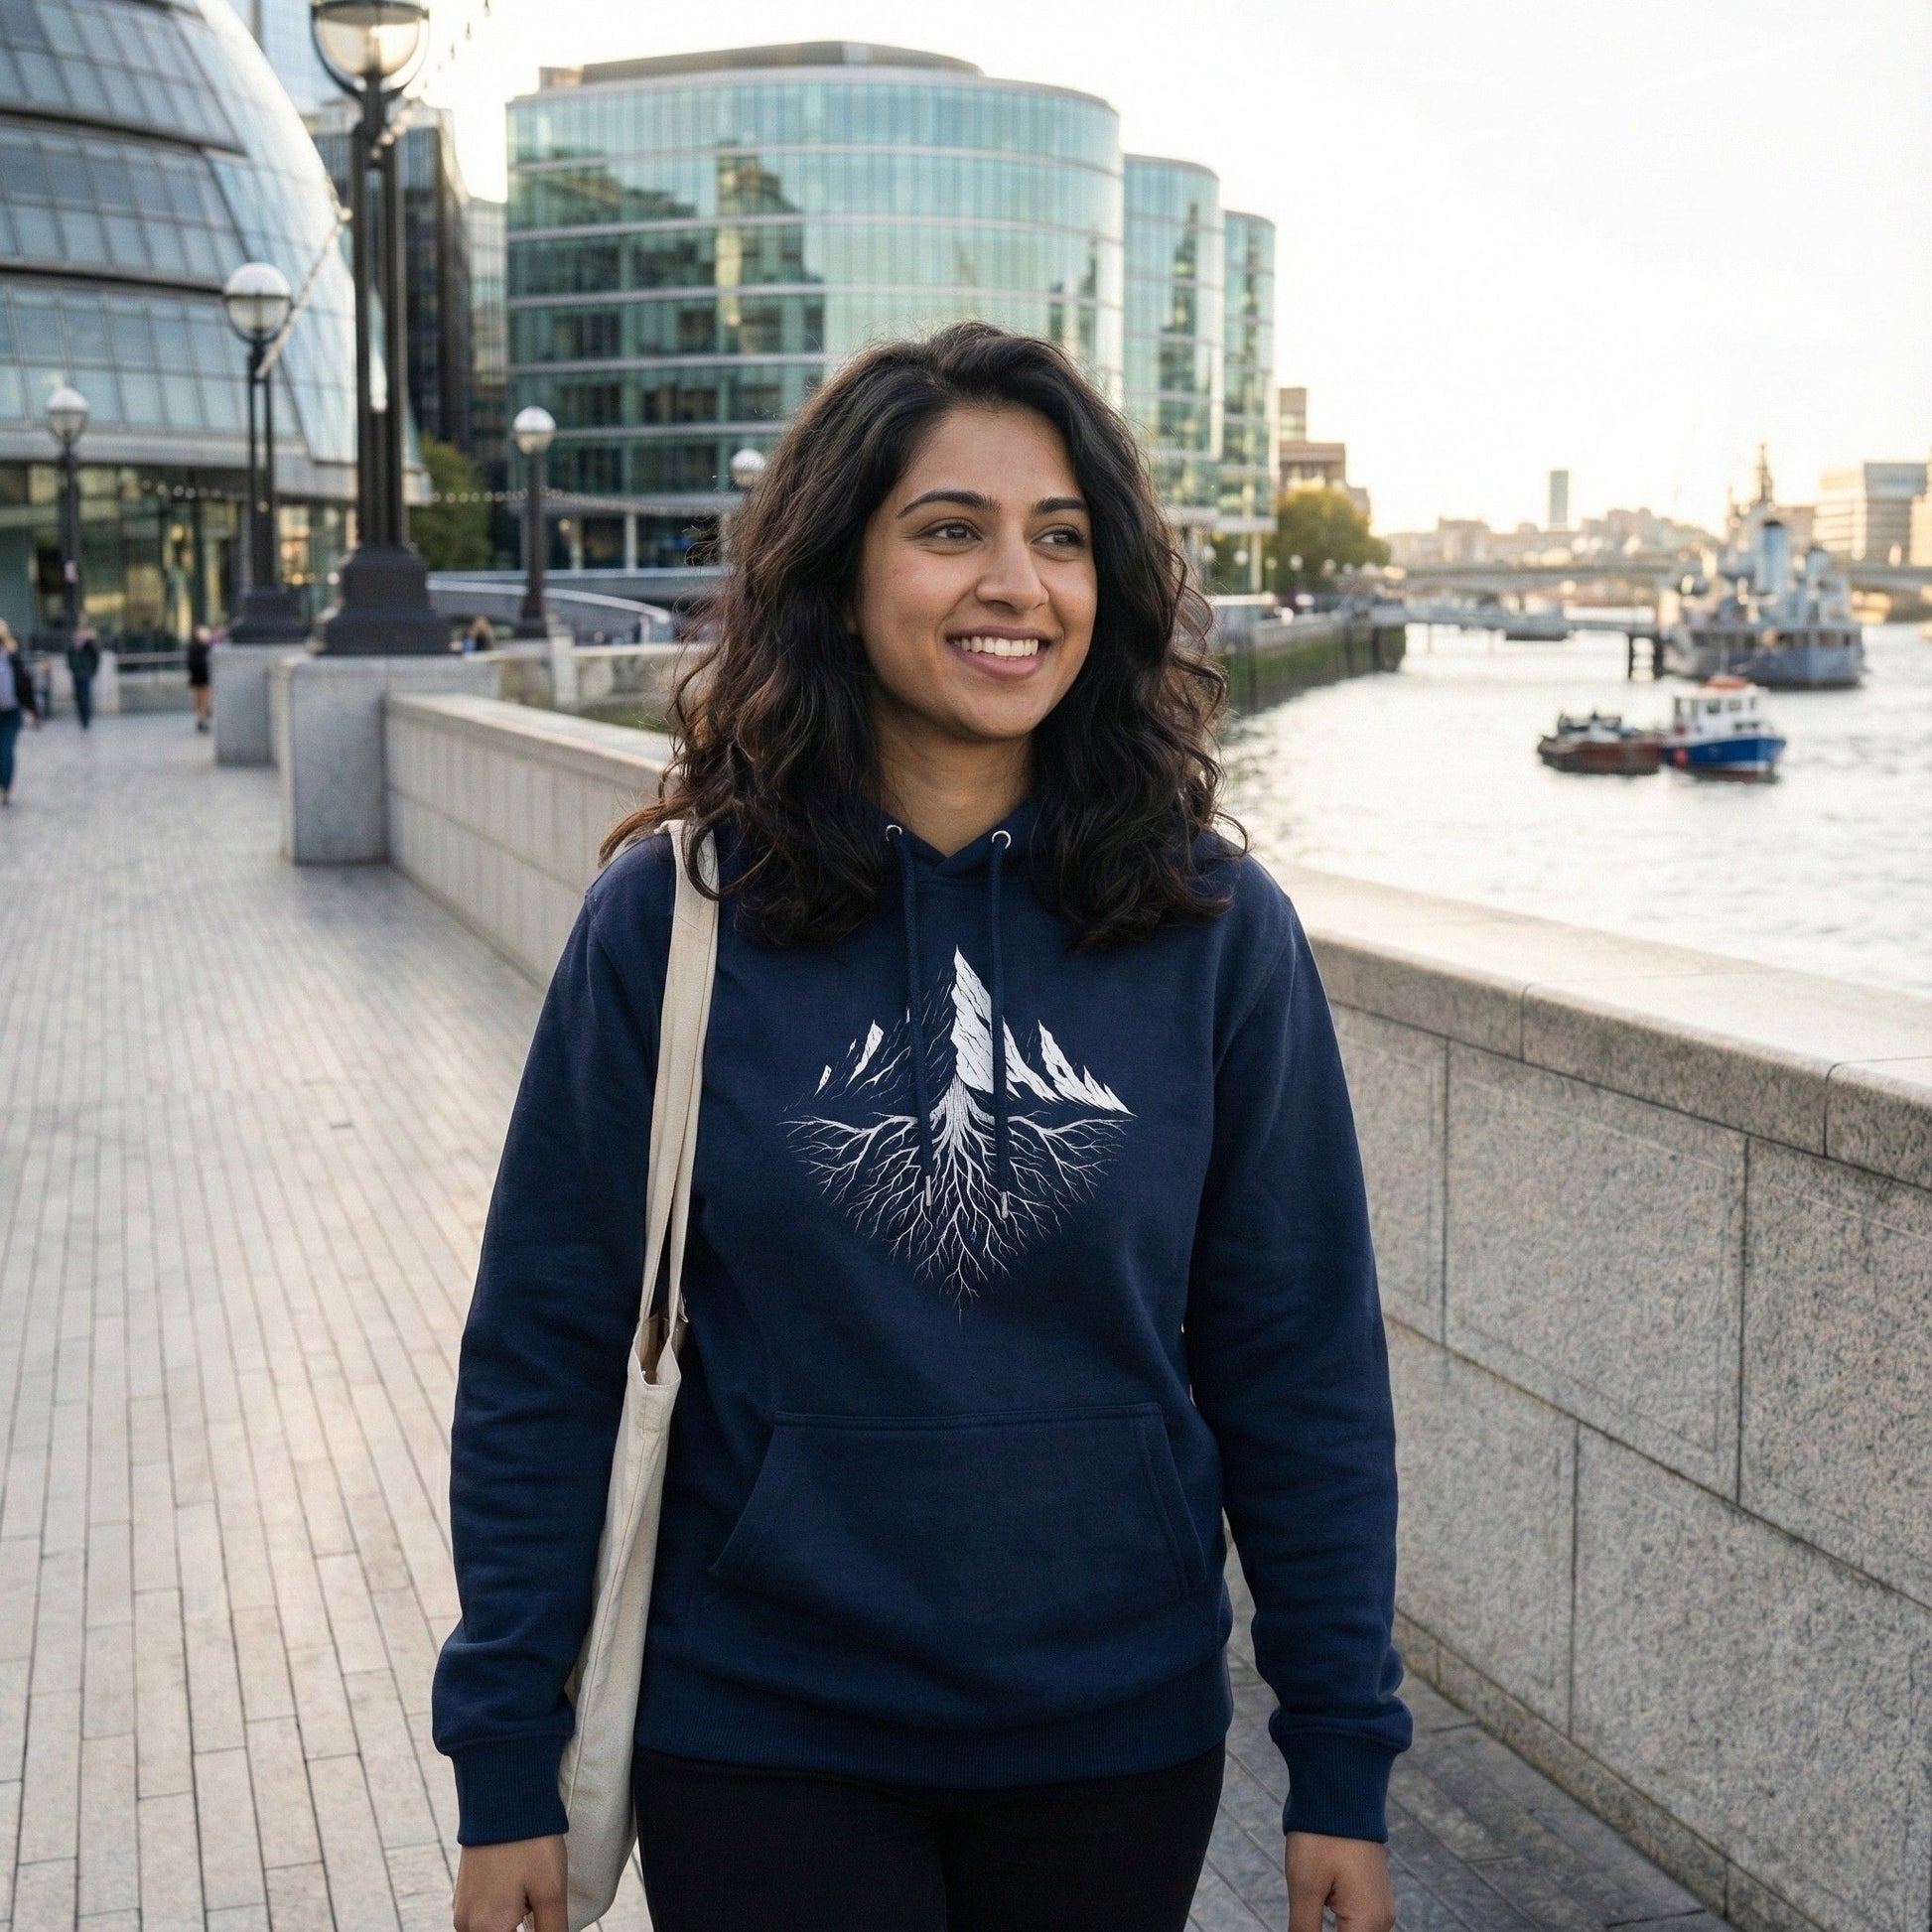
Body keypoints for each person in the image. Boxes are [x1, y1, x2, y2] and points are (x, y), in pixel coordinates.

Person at [433, 324, 1409, 1932]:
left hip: (1113, 1737)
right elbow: (543, 1354)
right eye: (951, 528)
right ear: (838, 567)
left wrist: (1343, 1764)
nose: (1014, 582)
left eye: (1063, 537)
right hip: (757, 1735)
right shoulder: (671, 922)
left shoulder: (1217, 934)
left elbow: (1300, 1365)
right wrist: (504, 1765)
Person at [0, 621, 39, 805]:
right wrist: (32, 709)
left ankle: (4, 789)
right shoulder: (13, 658)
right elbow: (25, 685)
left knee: (5, 750)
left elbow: (24, 684)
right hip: (12, 711)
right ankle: (5, 790)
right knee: (6, 750)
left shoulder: (13, 659)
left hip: (11, 713)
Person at [67, 626, 100, 730]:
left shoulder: (89, 646)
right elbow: (69, 660)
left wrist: (92, 671)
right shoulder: (71, 648)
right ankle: (82, 719)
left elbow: (95, 658)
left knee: (85, 697)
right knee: (79, 698)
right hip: (77, 675)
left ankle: (86, 719)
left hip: (86, 675)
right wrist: (73, 668)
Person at [186, 624, 212, 733]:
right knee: (203, 699)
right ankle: (202, 719)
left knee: (198, 699)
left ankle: (201, 719)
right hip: (203, 677)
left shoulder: (192, 647)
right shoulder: (205, 648)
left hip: (197, 677)